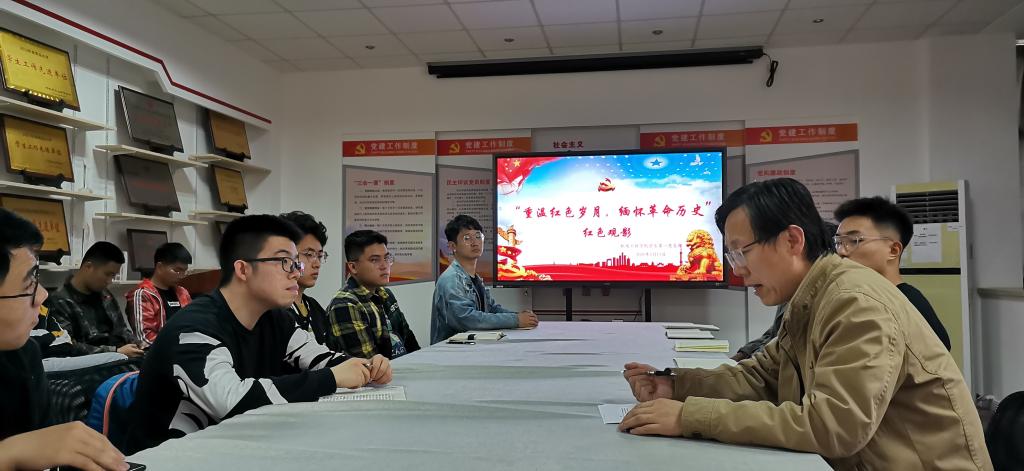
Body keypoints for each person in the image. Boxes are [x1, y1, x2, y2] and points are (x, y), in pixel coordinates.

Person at [620, 178, 991, 470]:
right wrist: (677, 385)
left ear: (792, 240)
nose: (739, 269)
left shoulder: (855, 302)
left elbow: (834, 426)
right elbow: (759, 378)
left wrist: (691, 416)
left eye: (741, 252)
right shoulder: (810, 296)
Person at [125, 215, 392, 454]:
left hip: (232, 449)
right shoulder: (194, 328)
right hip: (168, 459)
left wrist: (365, 366)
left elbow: (319, 358)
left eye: (295, 263)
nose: (296, 272)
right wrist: (331, 378)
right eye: (285, 262)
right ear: (243, 269)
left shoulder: (274, 318)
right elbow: (231, 400)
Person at [0, 208, 127, 471]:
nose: (42, 295)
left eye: (37, 279)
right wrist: (10, 453)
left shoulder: (23, 355)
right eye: (28, 284)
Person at [834, 196, 952, 350]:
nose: (841, 252)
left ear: (893, 250)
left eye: (854, 240)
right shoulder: (864, 298)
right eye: (838, 242)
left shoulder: (909, 302)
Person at [431, 215, 538, 344]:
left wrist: (519, 316)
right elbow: (467, 319)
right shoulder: (451, 279)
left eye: (478, 236)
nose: (475, 242)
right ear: (452, 246)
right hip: (450, 351)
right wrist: (516, 320)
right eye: (467, 238)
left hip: (471, 347)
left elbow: (491, 308)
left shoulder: (474, 278)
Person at [325, 230, 420, 359]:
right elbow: (370, 364)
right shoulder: (345, 305)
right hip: (382, 371)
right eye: (375, 260)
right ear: (353, 267)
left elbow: (408, 339)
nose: (384, 266)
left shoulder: (385, 294)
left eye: (386, 258)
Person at [45, 242, 143, 358]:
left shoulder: (105, 295)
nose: (109, 281)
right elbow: (68, 346)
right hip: (92, 365)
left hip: (121, 358)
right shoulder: (59, 301)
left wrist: (138, 344)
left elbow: (122, 330)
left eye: (113, 276)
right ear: (88, 267)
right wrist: (115, 352)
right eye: (108, 274)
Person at [125, 242, 193, 348]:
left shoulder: (183, 293)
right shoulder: (143, 294)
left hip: (187, 349)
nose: (181, 276)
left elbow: (193, 324)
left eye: (184, 271)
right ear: (160, 267)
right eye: (177, 270)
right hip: (160, 353)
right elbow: (145, 339)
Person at [279, 211, 329, 344]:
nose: (317, 264)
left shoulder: (314, 307)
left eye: (320, 256)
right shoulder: (276, 309)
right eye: (309, 254)